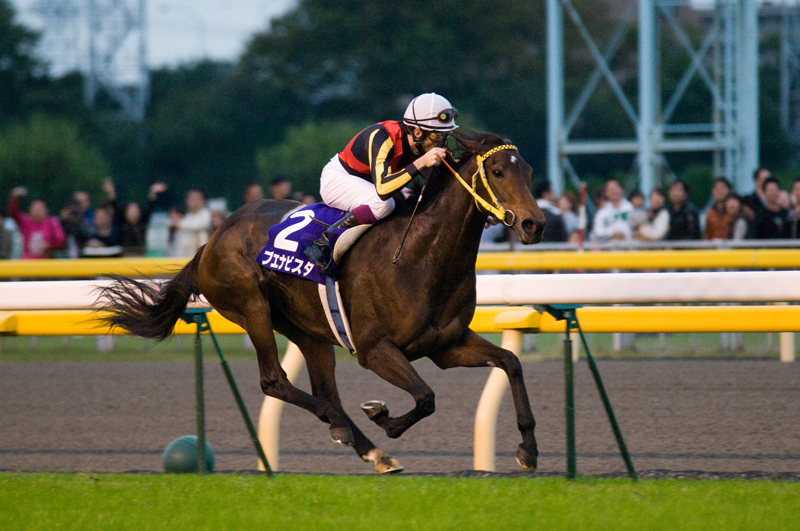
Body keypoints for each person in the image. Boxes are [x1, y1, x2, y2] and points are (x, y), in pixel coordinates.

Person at [305, 92, 458, 270]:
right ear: (417, 132)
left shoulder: (421, 144)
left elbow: (444, 189)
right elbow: (384, 189)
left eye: (444, 135)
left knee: (417, 201)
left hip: (369, 183)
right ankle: (324, 241)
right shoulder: (382, 137)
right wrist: (421, 163)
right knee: (384, 205)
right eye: (435, 136)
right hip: (339, 179)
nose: (440, 142)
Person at [6, 187, 65, 259]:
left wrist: (48, 245)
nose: (37, 211)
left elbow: (60, 241)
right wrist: (14, 198)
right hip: (28, 260)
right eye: (35, 208)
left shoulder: (52, 222)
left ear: (46, 210)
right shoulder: (25, 221)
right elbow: (13, 213)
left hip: (46, 260)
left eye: (40, 209)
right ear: (30, 210)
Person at [590, 178, 633, 242]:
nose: (613, 191)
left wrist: (624, 234)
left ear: (621, 189)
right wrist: (612, 234)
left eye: (615, 188)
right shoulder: (601, 213)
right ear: (606, 193)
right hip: (609, 249)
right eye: (610, 189)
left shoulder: (631, 208)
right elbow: (597, 233)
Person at [174, 188, 211, 257]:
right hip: (183, 256)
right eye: (191, 199)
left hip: (200, 256)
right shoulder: (186, 217)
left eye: (196, 199)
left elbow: (201, 225)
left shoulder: (207, 215)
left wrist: (180, 225)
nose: (193, 201)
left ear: (203, 200)